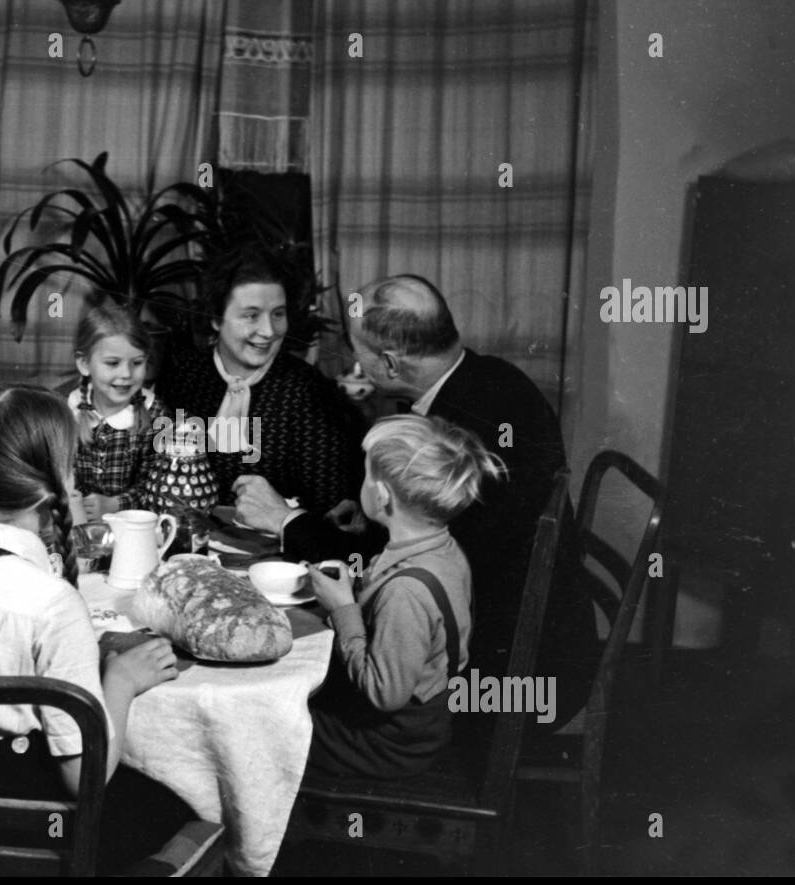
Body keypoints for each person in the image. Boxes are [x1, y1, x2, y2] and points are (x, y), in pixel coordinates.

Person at [234, 274, 596, 726]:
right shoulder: (488, 379)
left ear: (388, 363)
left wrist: (286, 520)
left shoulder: (463, 427)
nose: (353, 362)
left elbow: (405, 566)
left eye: (356, 351)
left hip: (502, 676)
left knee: (281, 701)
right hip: (514, 628)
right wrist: (373, 517)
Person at [0, 383, 194, 871]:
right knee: (184, 805)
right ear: (57, 478)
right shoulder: (51, 602)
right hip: (12, 841)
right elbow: (84, 777)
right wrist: (122, 682)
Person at [304, 415, 504, 779]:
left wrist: (344, 608)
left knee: (272, 724)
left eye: (366, 475)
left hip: (389, 745)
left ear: (381, 496)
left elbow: (384, 694)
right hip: (424, 726)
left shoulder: (405, 592)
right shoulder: (444, 548)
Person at [158, 243, 363, 518]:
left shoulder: (308, 390)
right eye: (251, 315)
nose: (268, 331)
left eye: (278, 314)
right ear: (216, 319)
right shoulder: (182, 376)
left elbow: (332, 511)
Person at [65, 299, 170, 521]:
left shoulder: (157, 415)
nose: (126, 374)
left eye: (137, 363)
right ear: (84, 363)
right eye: (112, 363)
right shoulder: (69, 410)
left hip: (135, 525)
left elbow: (161, 485)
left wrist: (115, 504)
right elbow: (59, 475)